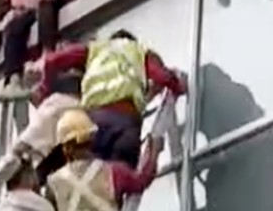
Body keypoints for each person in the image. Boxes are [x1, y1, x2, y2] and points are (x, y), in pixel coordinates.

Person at [38, 30, 185, 169]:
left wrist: (45, 90)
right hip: (125, 122)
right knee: (121, 178)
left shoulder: (95, 50)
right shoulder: (139, 52)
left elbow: (51, 61)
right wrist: (178, 87)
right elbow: (163, 77)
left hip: (92, 122)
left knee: (96, 178)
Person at [45, 108, 164, 211]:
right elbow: (141, 181)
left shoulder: (53, 183)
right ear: (92, 139)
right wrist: (154, 152)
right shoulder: (113, 171)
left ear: (65, 148)